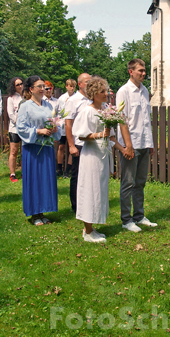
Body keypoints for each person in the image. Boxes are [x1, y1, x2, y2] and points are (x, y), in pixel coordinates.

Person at [72, 77, 130, 242]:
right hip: (91, 157)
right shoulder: (87, 111)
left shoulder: (105, 110)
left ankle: (91, 228)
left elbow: (111, 137)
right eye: (102, 91)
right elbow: (82, 135)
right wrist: (99, 134)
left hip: (103, 156)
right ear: (94, 93)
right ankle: (88, 231)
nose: (106, 94)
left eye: (106, 90)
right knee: (90, 190)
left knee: (99, 191)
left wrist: (123, 149)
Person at [116, 58, 156, 233]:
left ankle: (139, 216)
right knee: (128, 183)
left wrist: (151, 143)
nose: (144, 73)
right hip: (130, 145)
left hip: (144, 143)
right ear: (130, 72)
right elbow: (121, 120)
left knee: (140, 182)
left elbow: (147, 120)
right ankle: (126, 219)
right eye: (140, 70)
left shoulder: (145, 91)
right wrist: (128, 145)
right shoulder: (123, 91)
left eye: (144, 70)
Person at [16, 75, 60, 225]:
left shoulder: (48, 106)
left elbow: (54, 122)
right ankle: (34, 213)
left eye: (44, 87)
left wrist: (54, 128)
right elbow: (20, 127)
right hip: (32, 148)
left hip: (46, 147)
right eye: (40, 87)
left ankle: (43, 210)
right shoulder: (25, 106)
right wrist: (38, 131)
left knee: (45, 179)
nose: (43, 89)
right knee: (34, 180)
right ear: (31, 89)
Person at [64, 73, 92, 212]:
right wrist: (71, 145)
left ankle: (88, 202)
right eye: (87, 82)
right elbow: (68, 124)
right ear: (79, 84)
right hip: (79, 144)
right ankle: (76, 205)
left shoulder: (94, 99)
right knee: (77, 175)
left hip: (92, 143)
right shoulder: (73, 100)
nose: (90, 84)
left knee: (89, 175)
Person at [6, 77, 24, 182]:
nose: (20, 86)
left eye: (21, 83)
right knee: (14, 151)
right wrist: (18, 122)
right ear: (14, 86)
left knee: (24, 150)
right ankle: (12, 173)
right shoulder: (11, 98)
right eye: (18, 84)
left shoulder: (26, 97)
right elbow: (11, 114)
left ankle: (24, 172)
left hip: (25, 129)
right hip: (14, 129)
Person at [56, 79, 76, 176]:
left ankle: (68, 169)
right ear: (66, 86)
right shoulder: (61, 98)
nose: (72, 88)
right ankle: (59, 168)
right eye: (70, 86)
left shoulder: (77, 97)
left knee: (72, 145)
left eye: (73, 86)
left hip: (73, 125)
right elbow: (59, 112)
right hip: (63, 125)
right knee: (61, 146)